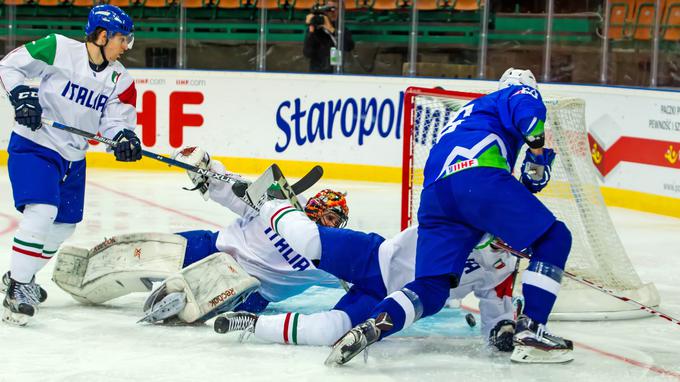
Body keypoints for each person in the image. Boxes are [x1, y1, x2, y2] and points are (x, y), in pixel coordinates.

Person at [328, 68, 574, 365]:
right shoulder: (515, 93)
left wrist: (535, 166)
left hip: (436, 197)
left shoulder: (471, 114)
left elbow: (530, 183)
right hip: (477, 178)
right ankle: (532, 331)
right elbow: (530, 114)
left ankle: (372, 327)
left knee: (431, 290)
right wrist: (537, 148)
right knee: (555, 238)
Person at [51, 147, 351, 324]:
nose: (332, 225)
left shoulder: (332, 256)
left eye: (337, 222)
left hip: (249, 290)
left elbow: (371, 274)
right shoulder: (275, 208)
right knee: (148, 248)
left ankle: (179, 297)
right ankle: (87, 272)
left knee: (225, 282)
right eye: (328, 216)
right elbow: (229, 192)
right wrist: (205, 168)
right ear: (313, 208)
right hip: (213, 245)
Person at [213, 198, 518, 353]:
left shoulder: (502, 268)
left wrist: (502, 332)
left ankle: (253, 325)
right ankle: (271, 205)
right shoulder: (466, 219)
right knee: (310, 243)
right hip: (374, 257)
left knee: (327, 333)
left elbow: (496, 314)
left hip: (383, 299)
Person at [0, 4, 142, 326]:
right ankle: (19, 289)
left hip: (74, 157)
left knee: (64, 226)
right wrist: (22, 95)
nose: (126, 46)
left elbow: (116, 121)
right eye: (123, 39)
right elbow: (9, 66)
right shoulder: (58, 48)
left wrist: (123, 137)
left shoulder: (121, 80)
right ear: (102, 35)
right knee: (42, 210)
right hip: (35, 144)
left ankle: (20, 275)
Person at [303, 0, 355, 74]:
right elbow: (307, 53)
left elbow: (349, 47)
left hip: (336, 73)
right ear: (324, 11)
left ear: (341, 12)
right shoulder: (316, 29)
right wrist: (312, 30)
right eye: (329, 9)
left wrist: (332, 29)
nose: (332, 12)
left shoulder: (342, 30)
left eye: (336, 9)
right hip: (316, 74)